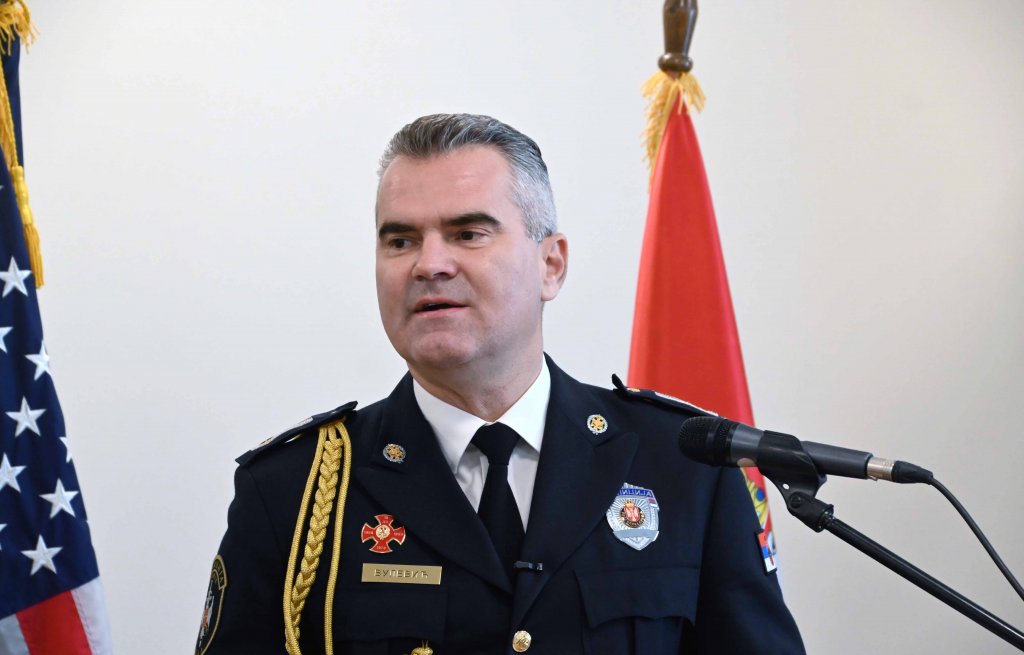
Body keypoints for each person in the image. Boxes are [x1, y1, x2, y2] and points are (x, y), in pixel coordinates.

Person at [197, 113, 804, 655]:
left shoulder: (684, 466)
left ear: (551, 264)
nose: (429, 264)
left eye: (468, 233)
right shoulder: (294, 490)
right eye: (400, 240)